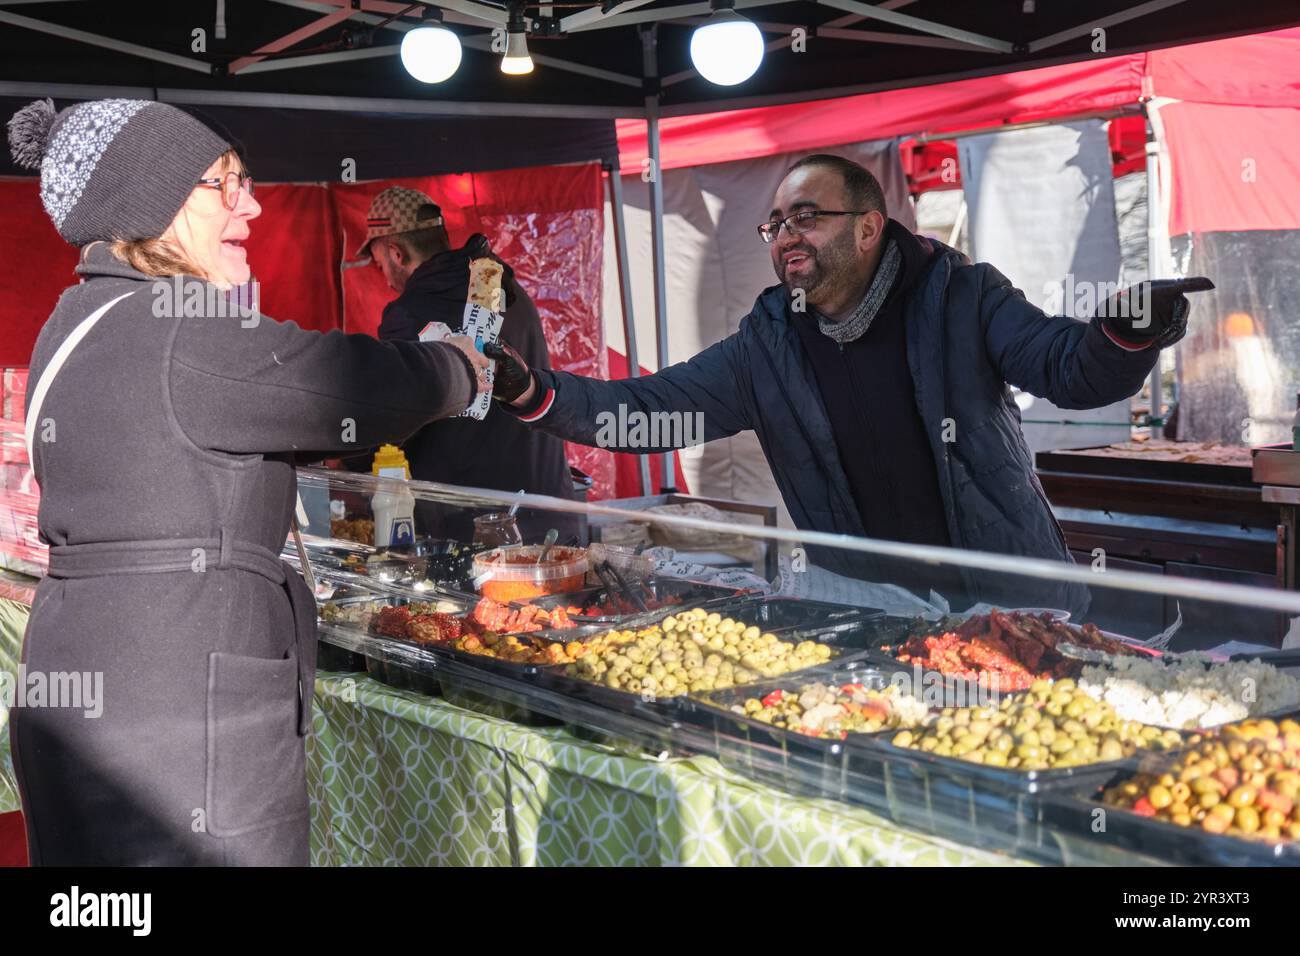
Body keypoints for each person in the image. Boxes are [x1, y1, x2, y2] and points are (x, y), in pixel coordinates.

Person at [6, 97, 489, 865]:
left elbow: (189, 446)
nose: (253, 206)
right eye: (224, 184)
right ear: (151, 205)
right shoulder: (180, 325)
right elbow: (354, 386)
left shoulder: (76, 318)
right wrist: (461, 366)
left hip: (85, 688)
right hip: (180, 721)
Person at [487, 154, 1212, 615]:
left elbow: (1067, 368)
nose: (786, 234)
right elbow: (646, 412)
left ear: (869, 229)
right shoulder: (765, 345)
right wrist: (531, 394)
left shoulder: (961, 296)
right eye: (775, 225)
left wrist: (1127, 330)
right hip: (872, 605)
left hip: (1011, 598)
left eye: (807, 216)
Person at [359, 185, 579, 544]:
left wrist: (348, 452)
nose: (382, 276)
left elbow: (395, 416)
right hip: (551, 515)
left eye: (380, 263)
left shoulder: (409, 313)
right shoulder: (504, 286)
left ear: (396, 253)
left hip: (474, 531)